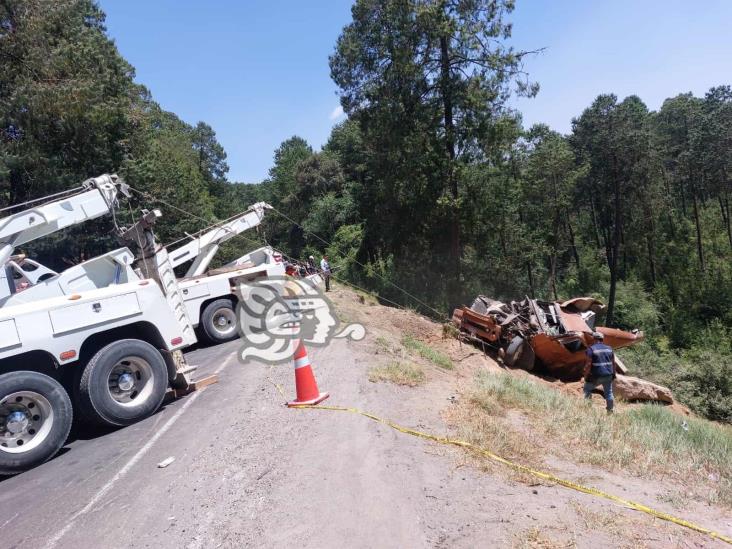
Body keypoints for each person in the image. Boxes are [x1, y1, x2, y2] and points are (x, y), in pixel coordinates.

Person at [583, 331, 616, 413]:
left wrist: (586, 375)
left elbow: (588, 364)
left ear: (594, 339)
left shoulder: (591, 349)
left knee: (587, 389)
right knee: (608, 393)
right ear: (602, 339)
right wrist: (614, 374)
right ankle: (610, 411)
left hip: (596, 375)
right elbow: (613, 363)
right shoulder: (609, 348)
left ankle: (587, 409)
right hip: (608, 374)